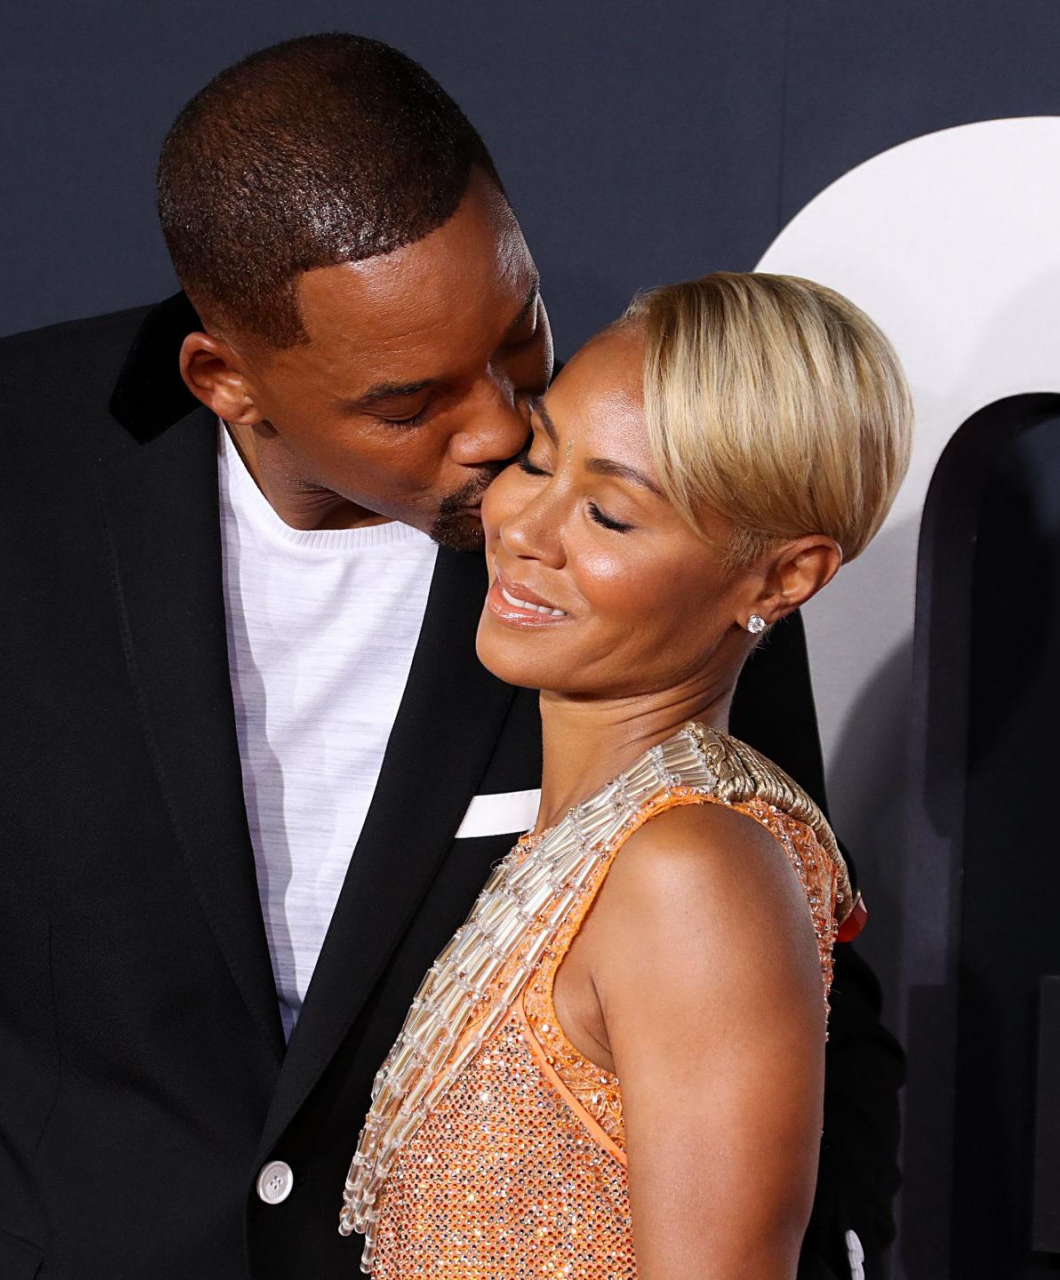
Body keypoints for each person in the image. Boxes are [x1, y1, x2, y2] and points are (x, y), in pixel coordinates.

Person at [0, 35, 900, 1280]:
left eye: (518, 333)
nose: (500, 433)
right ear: (226, 380)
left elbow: (792, 979)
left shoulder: (660, 516)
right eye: (410, 402)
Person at [341, 272, 912, 1279]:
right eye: (536, 457)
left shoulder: (689, 873)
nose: (523, 525)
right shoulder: (600, 844)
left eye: (606, 514)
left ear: (782, 577)